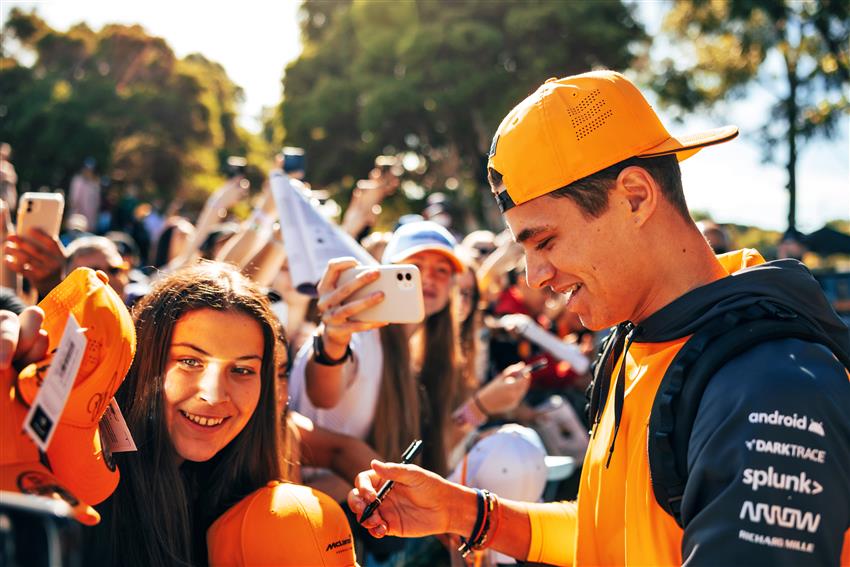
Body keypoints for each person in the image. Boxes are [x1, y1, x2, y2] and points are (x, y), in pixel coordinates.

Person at [348, 70, 850, 565]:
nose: (534, 276)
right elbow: (613, 532)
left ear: (635, 196)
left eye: (544, 241)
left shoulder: (768, 383)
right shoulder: (639, 340)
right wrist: (471, 514)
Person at [67, 262, 355, 566]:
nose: (214, 394)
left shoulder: (259, 503)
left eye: (242, 370)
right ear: (145, 362)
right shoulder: (82, 488)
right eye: (190, 361)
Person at [68, 158, 100, 233]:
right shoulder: (77, 181)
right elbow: (73, 200)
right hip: (77, 222)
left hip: (90, 223)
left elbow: (96, 203)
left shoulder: (95, 184)